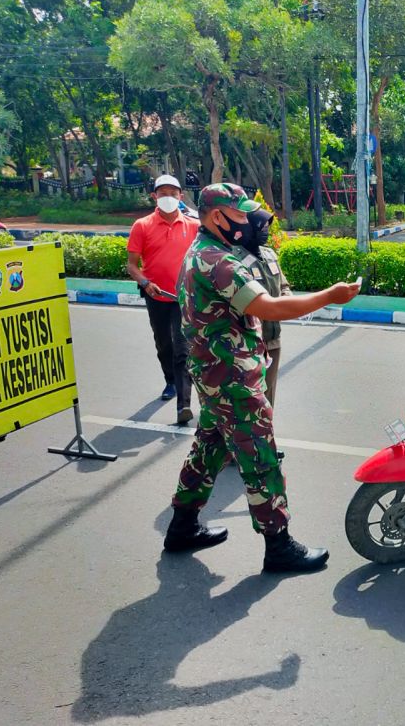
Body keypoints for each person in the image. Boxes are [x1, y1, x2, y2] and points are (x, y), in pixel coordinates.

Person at [163, 182, 360, 573]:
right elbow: (268, 307)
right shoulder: (217, 260)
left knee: (209, 447)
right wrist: (329, 295)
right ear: (217, 217)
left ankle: (182, 526)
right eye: (240, 214)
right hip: (231, 375)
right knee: (260, 454)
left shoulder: (204, 251)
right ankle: (279, 546)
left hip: (213, 371)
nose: (248, 221)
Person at [127, 174, 198, 424]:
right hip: (155, 295)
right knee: (163, 344)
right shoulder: (142, 225)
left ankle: (183, 406)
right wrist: (145, 283)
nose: (168, 197)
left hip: (183, 297)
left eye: (173, 192)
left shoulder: (193, 226)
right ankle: (170, 380)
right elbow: (132, 265)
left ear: (181, 196)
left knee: (182, 349)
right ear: (154, 196)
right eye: (163, 192)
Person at [229, 205, 291, 407]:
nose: (265, 230)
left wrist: (286, 298)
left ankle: (267, 432)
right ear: (248, 227)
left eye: (267, 225)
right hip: (249, 343)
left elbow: (283, 285)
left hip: (273, 339)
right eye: (261, 225)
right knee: (251, 395)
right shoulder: (234, 260)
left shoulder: (269, 254)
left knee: (269, 392)